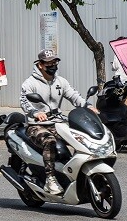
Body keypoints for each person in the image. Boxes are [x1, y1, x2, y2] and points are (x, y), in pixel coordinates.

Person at [20, 49, 99, 195]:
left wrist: (87, 106)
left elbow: (74, 95)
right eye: (48, 63)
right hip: (36, 125)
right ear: (40, 65)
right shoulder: (29, 83)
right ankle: (50, 180)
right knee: (49, 141)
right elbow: (24, 102)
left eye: (54, 62)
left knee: (81, 139)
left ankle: (76, 174)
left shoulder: (61, 81)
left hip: (58, 123)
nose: (52, 65)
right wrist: (36, 113)